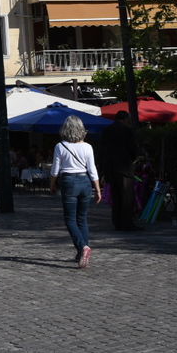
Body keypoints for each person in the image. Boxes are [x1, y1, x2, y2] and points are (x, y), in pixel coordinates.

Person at [48, 115, 102, 269]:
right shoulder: (87, 147)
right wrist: (97, 189)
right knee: (82, 218)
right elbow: (92, 169)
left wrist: (52, 184)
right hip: (85, 182)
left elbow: (55, 170)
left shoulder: (60, 146)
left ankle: (83, 247)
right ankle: (81, 253)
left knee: (70, 219)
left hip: (69, 181)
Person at [99, 110, 140, 231]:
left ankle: (117, 221)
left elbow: (102, 150)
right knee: (127, 197)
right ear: (125, 119)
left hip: (110, 168)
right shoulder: (127, 131)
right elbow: (133, 149)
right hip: (124, 167)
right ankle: (126, 223)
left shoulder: (107, 130)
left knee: (116, 196)